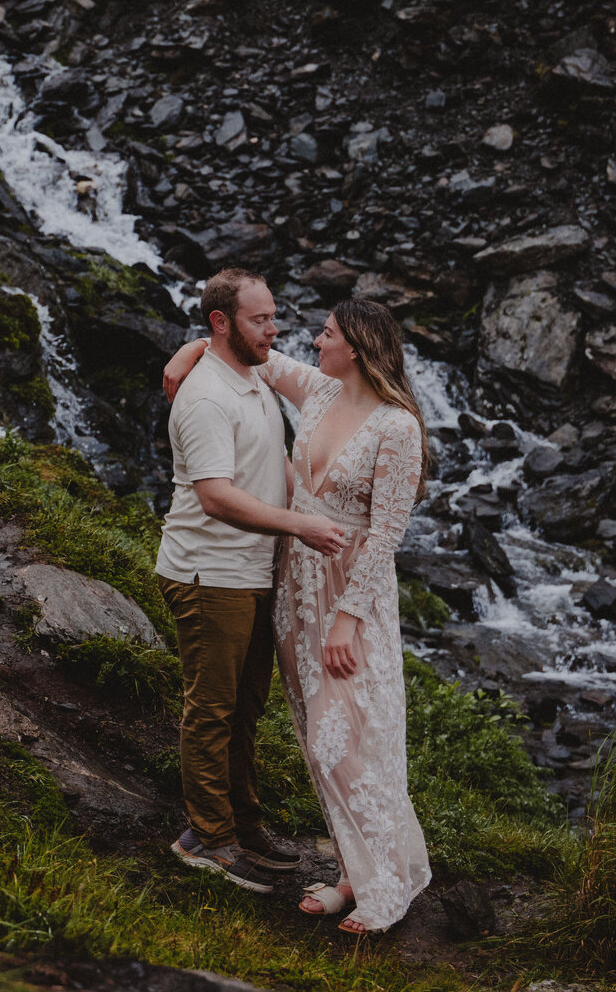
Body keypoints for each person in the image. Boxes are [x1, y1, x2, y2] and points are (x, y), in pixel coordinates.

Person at [166, 298, 432, 935]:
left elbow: (386, 536)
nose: (315, 340)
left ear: (357, 348)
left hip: (351, 593)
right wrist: (188, 349)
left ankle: (388, 887)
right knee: (315, 731)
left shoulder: (398, 427)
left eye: (327, 333)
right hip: (296, 586)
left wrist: (348, 620)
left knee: (344, 738)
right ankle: (352, 874)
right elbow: (246, 349)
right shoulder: (319, 390)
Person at [156, 267, 346, 895]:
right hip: (209, 573)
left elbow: (274, 461)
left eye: (273, 316)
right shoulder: (207, 397)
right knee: (212, 710)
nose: (275, 330)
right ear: (222, 323)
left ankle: (243, 826)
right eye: (260, 319)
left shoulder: (254, 371)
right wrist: (301, 525)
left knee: (244, 711)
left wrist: (318, 511)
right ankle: (207, 839)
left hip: (250, 571)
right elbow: (214, 496)